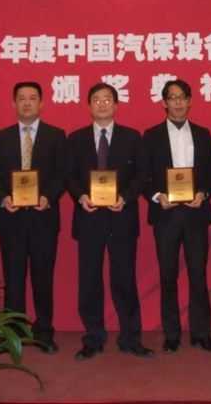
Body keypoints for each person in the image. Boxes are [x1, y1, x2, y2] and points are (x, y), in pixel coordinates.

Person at [66, 82, 152, 360]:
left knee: (124, 278)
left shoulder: (132, 137)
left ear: (116, 105)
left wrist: (125, 197)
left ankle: (131, 337)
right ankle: (93, 337)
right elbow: (69, 175)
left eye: (107, 99)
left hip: (121, 217)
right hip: (89, 217)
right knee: (89, 279)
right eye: (96, 99)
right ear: (89, 106)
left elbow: (142, 175)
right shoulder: (76, 139)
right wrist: (80, 196)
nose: (102, 104)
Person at [0, 82, 66, 354]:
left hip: (43, 218)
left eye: (32, 98)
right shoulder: (2, 137)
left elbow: (62, 174)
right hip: (12, 218)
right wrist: (3, 198)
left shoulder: (56, 135)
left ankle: (44, 332)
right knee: (14, 279)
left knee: (43, 278)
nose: (27, 103)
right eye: (22, 98)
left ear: (41, 103)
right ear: (14, 104)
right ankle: (14, 333)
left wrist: (48, 197)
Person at [142, 79, 211, 353]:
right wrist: (157, 196)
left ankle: (202, 332)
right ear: (164, 103)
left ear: (189, 101)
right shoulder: (151, 136)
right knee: (168, 276)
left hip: (196, 214)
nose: (177, 102)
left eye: (182, 97)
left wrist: (204, 193)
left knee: (198, 275)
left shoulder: (203, 133)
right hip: (166, 215)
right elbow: (144, 175)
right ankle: (172, 334)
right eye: (172, 97)